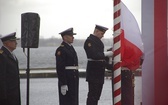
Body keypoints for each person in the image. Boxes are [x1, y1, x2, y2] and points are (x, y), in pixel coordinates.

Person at [84, 24, 113, 105]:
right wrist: (107, 54)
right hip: (93, 73)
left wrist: (111, 66)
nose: (102, 36)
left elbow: (101, 59)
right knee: (92, 95)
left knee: (97, 96)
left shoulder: (98, 42)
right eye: (101, 33)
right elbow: (94, 55)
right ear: (96, 31)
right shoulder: (89, 41)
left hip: (99, 73)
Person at [55, 27, 79, 105]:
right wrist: (63, 83)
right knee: (66, 101)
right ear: (65, 37)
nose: (73, 37)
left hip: (73, 78)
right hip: (67, 79)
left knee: (73, 100)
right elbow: (60, 68)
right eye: (71, 35)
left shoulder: (70, 48)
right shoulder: (61, 49)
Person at [0, 32, 21, 105]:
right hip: (7, 96)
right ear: (7, 43)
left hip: (13, 94)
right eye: (14, 41)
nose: (16, 43)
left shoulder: (10, 54)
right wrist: (3, 97)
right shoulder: (2, 56)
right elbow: (1, 77)